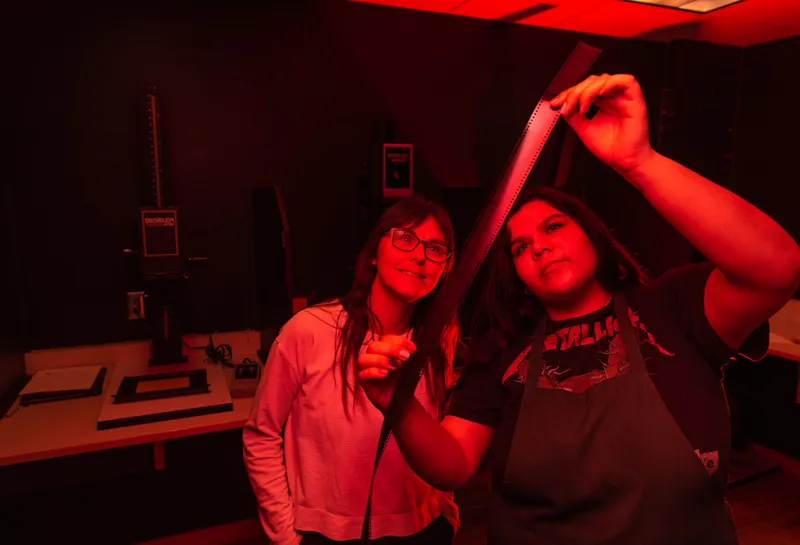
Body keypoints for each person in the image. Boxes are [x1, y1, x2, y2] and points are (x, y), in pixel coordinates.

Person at [357, 73, 800, 545]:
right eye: (521, 247)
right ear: (518, 277)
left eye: (554, 227)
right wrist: (397, 405)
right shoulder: (502, 347)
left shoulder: (672, 307)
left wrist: (639, 162)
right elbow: (453, 465)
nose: (540, 248)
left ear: (593, 234)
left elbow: (776, 268)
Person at [243, 196, 460, 545]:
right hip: (325, 534)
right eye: (405, 238)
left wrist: (444, 509)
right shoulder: (310, 330)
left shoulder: (439, 344)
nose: (420, 254)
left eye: (435, 248)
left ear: (445, 266)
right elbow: (261, 434)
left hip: (420, 531)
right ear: (374, 252)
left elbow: (444, 442)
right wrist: (286, 536)